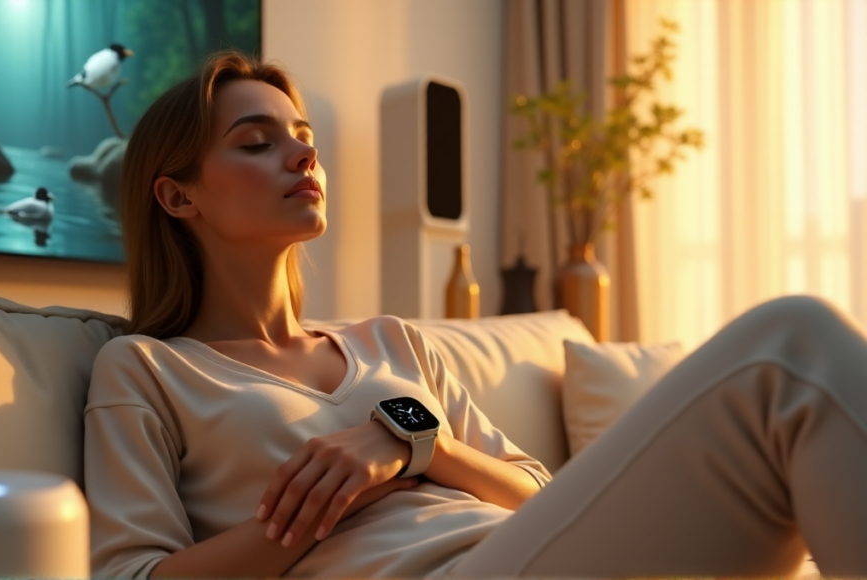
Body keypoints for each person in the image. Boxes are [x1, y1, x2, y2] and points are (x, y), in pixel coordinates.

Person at [83, 50, 867, 579]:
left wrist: (410, 445)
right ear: (177, 194)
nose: (301, 155)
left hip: (522, 551)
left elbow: (542, 491)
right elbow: (133, 575)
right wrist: (339, 498)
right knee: (787, 352)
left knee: (795, 365)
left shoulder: (392, 342)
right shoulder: (148, 369)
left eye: (303, 137)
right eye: (256, 142)